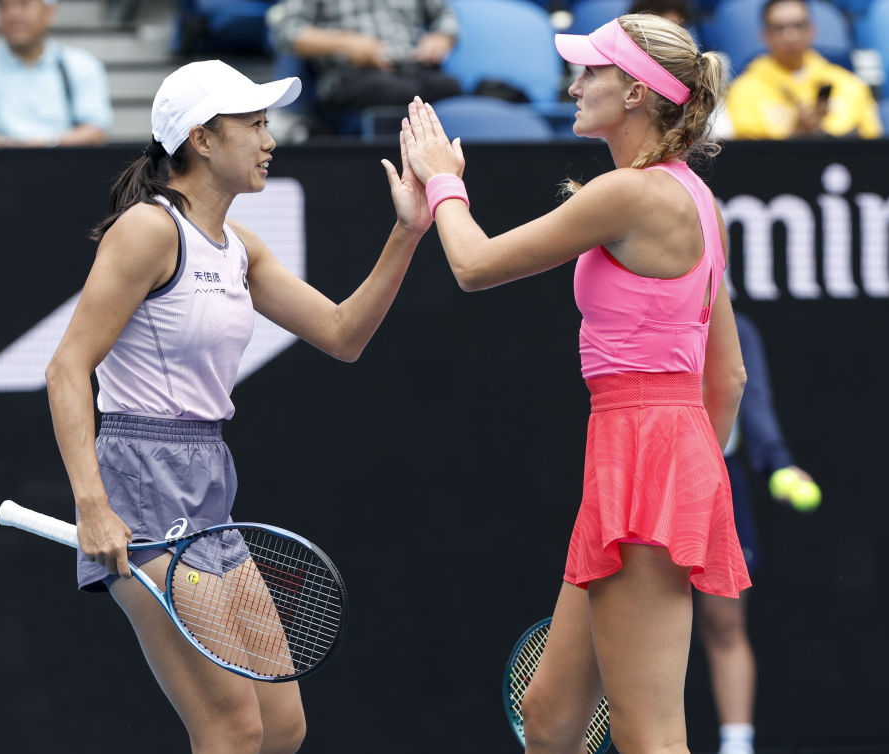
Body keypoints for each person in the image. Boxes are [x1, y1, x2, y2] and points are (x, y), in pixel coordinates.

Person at [44, 59, 430, 753]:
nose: (269, 139)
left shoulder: (241, 248)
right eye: (253, 124)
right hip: (141, 490)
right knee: (231, 729)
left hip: (210, 487)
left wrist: (407, 233)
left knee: (281, 727)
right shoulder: (149, 230)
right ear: (201, 139)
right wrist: (93, 505)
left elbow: (342, 334)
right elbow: (67, 367)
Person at [403, 13, 750, 754]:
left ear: (635, 92)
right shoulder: (696, 198)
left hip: (644, 456)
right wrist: (690, 479)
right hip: (652, 453)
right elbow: (728, 374)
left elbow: (473, 265)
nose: (574, 85)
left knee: (648, 733)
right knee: (550, 718)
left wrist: (442, 183)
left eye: (591, 71)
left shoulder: (629, 194)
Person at [700, 310, 819, 754]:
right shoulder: (639, 314)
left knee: (724, 624)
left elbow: (753, 400)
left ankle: (737, 747)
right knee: (645, 622)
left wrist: (778, 462)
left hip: (720, 481)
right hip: (654, 476)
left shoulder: (736, 328)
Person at [0, 0, 112, 147]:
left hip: (66, 166)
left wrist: (41, 146)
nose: (13, 14)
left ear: (50, 12)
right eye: (4, 6)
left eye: (24, 4)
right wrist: (35, 148)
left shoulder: (81, 65)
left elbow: (95, 132)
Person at [273, 0, 461, 119]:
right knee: (394, 92)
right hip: (349, 73)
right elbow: (287, 33)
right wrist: (345, 43)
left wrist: (442, 36)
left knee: (449, 87)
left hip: (412, 67)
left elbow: (444, 16)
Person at [725, 0, 881, 139]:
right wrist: (797, 135)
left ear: (813, 30)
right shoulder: (743, 91)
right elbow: (746, 156)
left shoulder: (849, 84)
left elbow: (872, 146)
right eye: (779, 28)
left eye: (799, 26)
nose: (790, 36)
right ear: (765, 35)